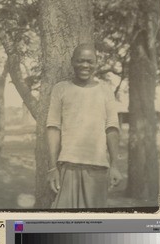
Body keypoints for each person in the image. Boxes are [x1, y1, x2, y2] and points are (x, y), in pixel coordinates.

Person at [46, 44, 122, 209]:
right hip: (67, 166)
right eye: (80, 61)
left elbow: (112, 128)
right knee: (63, 221)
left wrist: (115, 165)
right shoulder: (60, 89)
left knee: (95, 222)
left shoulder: (105, 90)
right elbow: (53, 127)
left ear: (96, 63)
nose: (85, 65)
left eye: (90, 61)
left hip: (98, 168)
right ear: (72, 62)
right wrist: (52, 168)